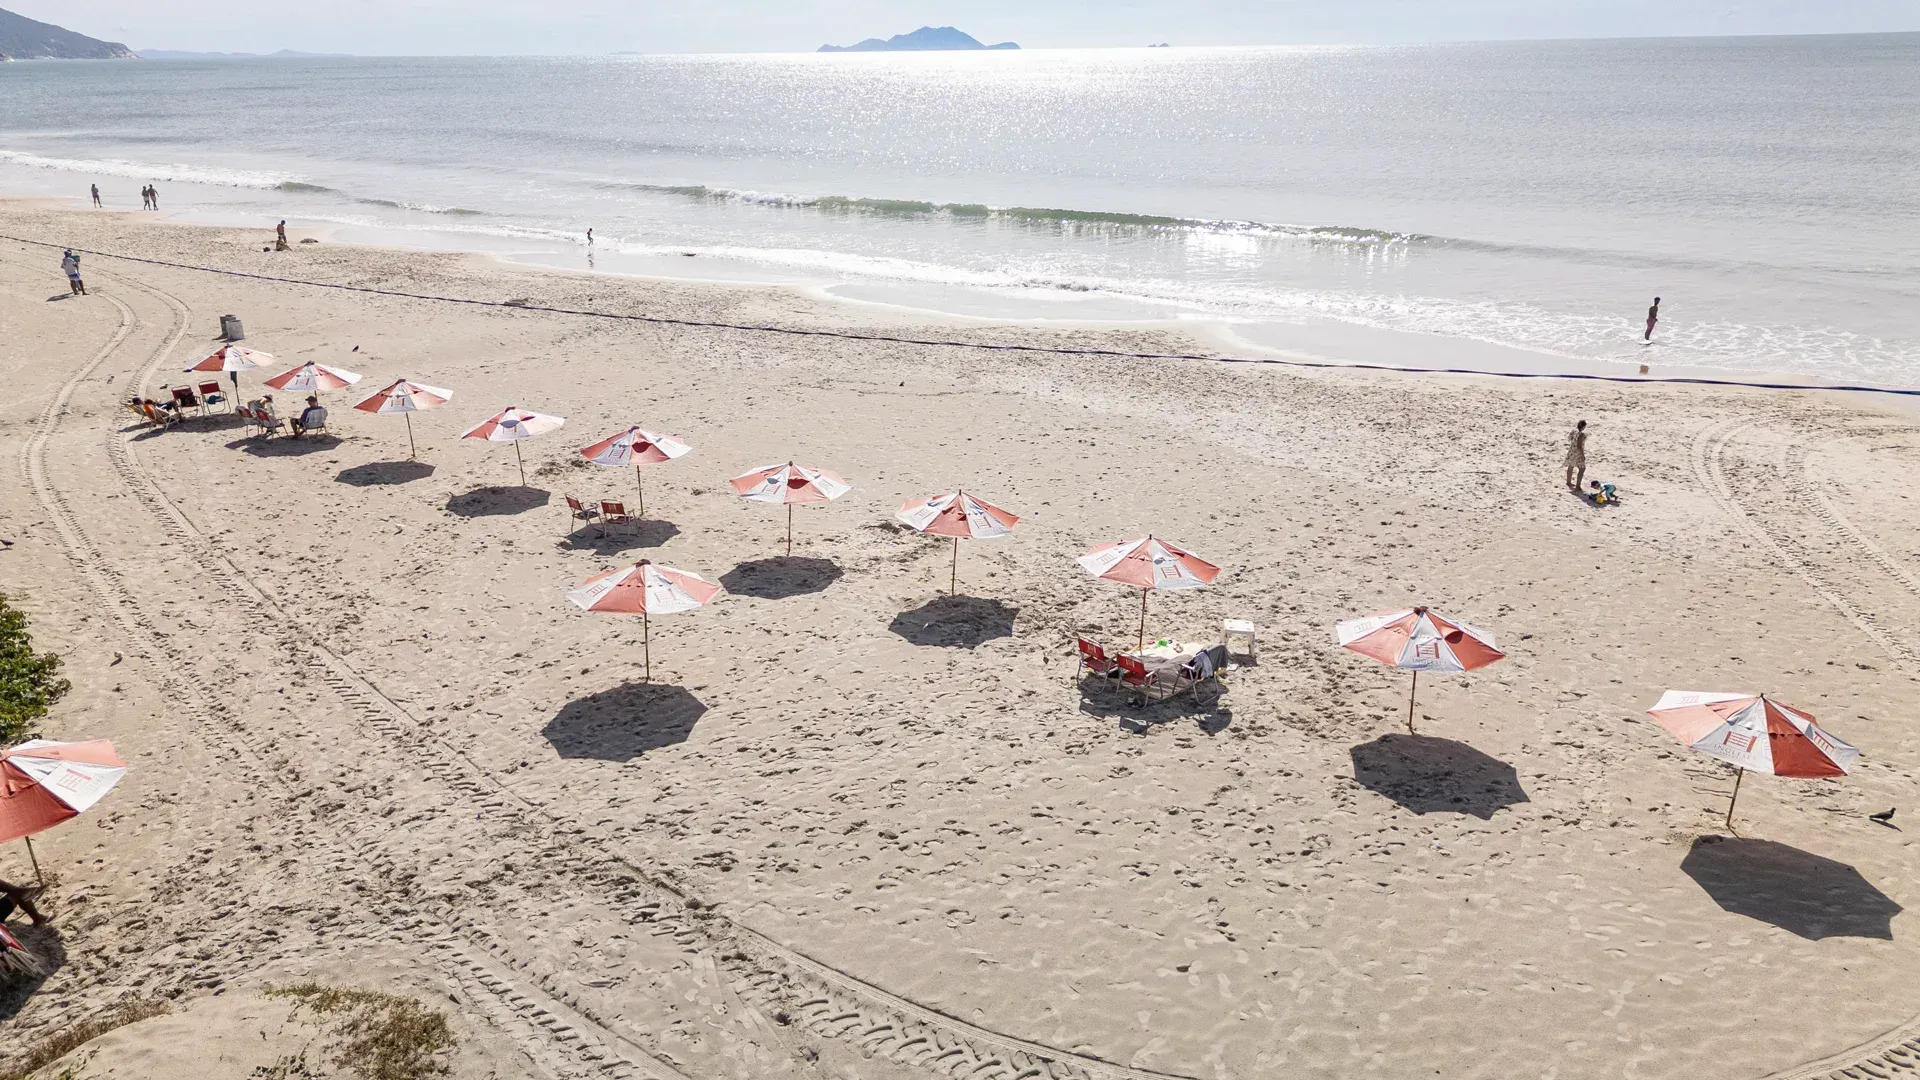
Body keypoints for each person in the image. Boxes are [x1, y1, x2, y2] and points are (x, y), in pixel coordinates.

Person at [1563, 419, 1588, 490]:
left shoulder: (1574, 431)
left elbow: (1570, 439)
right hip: (1578, 453)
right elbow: (1579, 446)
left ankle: (1568, 482)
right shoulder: (1581, 434)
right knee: (1582, 468)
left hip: (1571, 451)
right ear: (1583, 426)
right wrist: (1583, 455)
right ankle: (1578, 486)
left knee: (1571, 466)